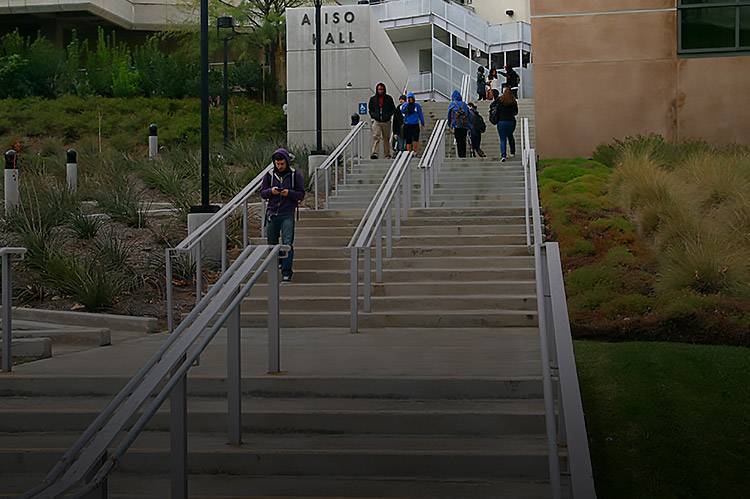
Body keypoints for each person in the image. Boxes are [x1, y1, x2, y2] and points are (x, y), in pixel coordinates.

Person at [260, 148, 305, 282]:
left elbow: (301, 194)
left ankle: (287, 271)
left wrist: (289, 193)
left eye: (282, 164)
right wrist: (271, 191)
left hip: (287, 213)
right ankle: (277, 263)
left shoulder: (294, 174)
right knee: (272, 242)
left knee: (287, 243)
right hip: (272, 212)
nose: (279, 166)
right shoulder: (269, 175)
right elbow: (262, 193)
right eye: (277, 164)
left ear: (287, 162)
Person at [489, 87, 518, 162]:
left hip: (501, 122)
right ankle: (512, 152)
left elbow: (492, 106)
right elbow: (516, 112)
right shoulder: (513, 101)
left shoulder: (500, 100)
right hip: (511, 122)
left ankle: (503, 156)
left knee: (502, 139)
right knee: (510, 135)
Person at [368, 82, 396, 160]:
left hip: (386, 121)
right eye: (379, 89)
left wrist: (388, 115)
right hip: (377, 121)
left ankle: (387, 154)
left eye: (382, 89)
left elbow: (393, 109)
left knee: (386, 138)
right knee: (376, 137)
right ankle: (374, 153)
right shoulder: (373, 99)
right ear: (377, 90)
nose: (381, 91)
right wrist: (374, 116)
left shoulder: (389, 98)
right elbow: (370, 110)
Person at [447, 90, 472, 159]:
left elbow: (449, 115)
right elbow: (469, 115)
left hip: (456, 125)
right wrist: (469, 126)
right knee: (463, 140)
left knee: (458, 140)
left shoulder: (452, 104)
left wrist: (449, 124)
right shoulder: (464, 104)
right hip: (464, 125)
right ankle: (463, 154)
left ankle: (460, 155)